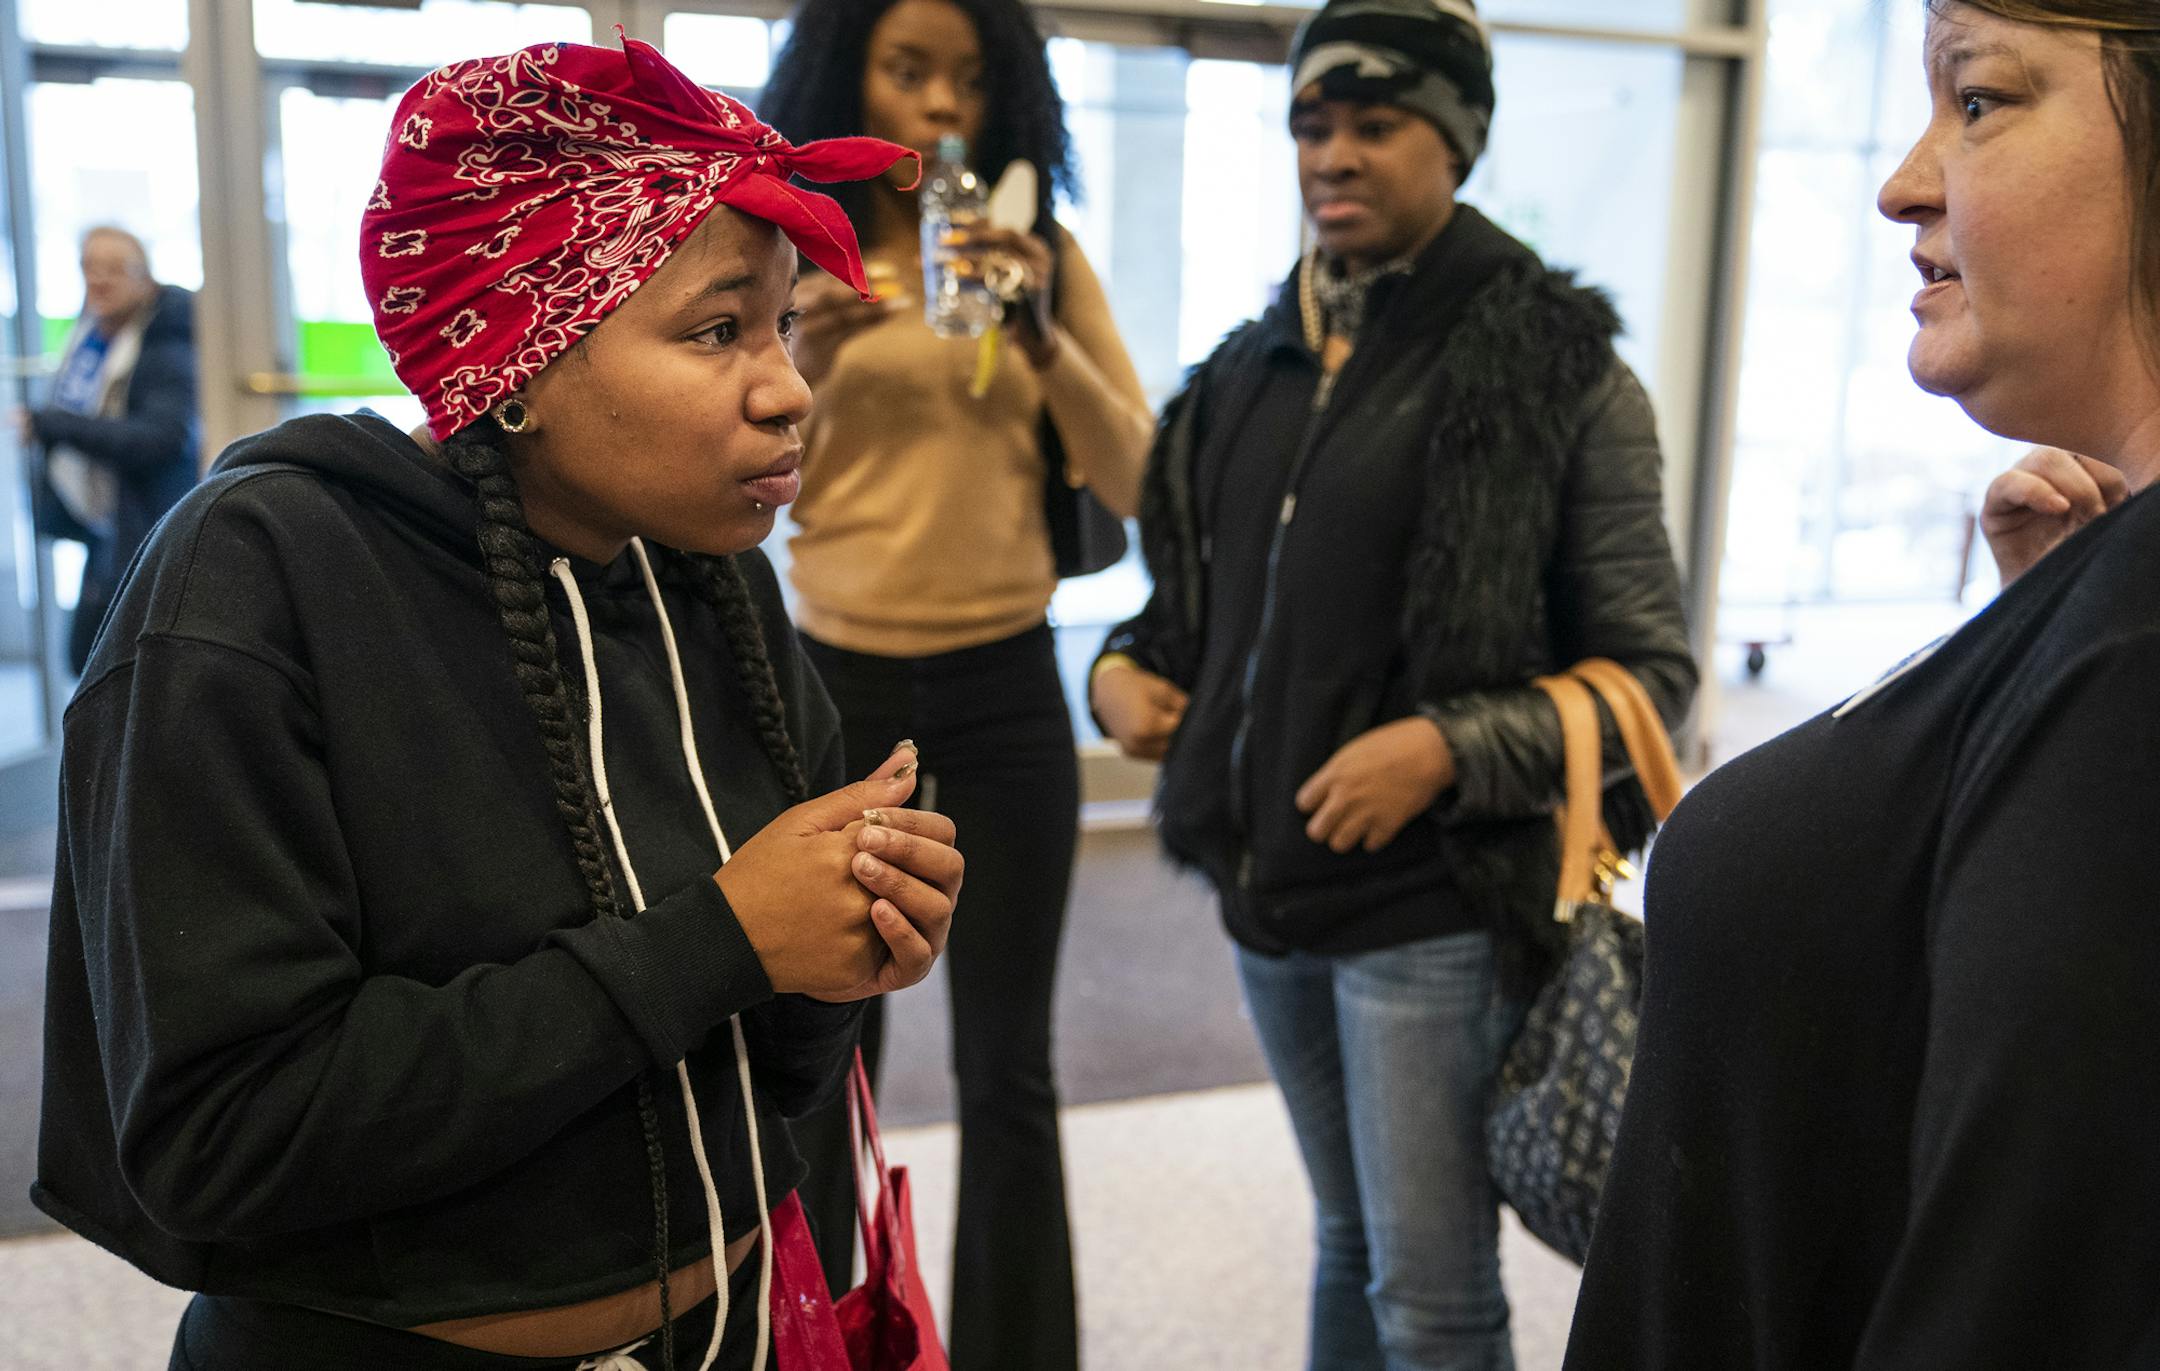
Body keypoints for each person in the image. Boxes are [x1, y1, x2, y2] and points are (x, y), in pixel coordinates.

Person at [32, 37, 962, 1371]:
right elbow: (221, 1136)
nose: (787, 386)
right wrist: (716, 938)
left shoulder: (710, 584)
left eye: (783, 323)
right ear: (520, 357)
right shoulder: (259, 582)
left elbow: (764, 1078)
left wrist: (839, 943)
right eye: (715, 331)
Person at [1091, 1, 1695, 1367]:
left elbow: (1656, 676)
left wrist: (1441, 746)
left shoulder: (1556, 367)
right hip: (1266, 886)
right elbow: (1185, 613)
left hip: (1436, 906)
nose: (1335, 154)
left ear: (1458, 141)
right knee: (1350, 1238)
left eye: (1377, 124)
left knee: (1428, 1291)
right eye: (1314, 124)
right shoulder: (1249, 370)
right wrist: (1122, 676)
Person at [1564, 4, 2160, 1367]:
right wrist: (2037, 644)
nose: (1902, 179)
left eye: (1982, 99)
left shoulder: (2138, 644)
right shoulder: (2105, 606)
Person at [758, 3, 1152, 1365]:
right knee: (825, 1064)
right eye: (906, 70)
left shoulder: (1039, 260)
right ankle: (815, 1345)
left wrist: (1041, 326)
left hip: (1003, 688)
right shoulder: (794, 256)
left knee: (1010, 1070)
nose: (941, 106)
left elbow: (1140, 478)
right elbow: (718, 485)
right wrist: (804, 344)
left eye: (971, 80)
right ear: (842, 78)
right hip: (835, 693)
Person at [15, 226, 197, 674]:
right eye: (89, 268)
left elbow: (160, 439)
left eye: (114, 270)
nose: (99, 280)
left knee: (110, 665)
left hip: (145, 526)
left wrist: (50, 424)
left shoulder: (167, 341)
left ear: (145, 278)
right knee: (86, 661)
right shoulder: (95, 334)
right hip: (104, 525)